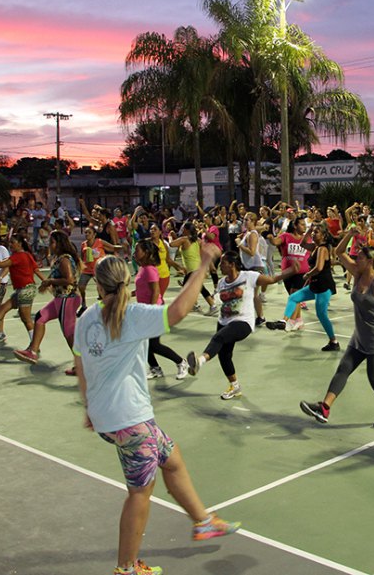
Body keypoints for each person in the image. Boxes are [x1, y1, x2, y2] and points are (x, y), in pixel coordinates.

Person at [73, 252, 239, 575]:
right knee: (139, 493)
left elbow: (80, 365)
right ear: (129, 281)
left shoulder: (85, 319)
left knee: (172, 458)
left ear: (97, 283)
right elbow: (177, 311)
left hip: (110, 417)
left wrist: (88, 407)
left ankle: (203, 521)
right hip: (130, 420)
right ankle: (127, 568)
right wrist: (203, 266)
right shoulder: (131, 316)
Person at [299, 244, 374, 428]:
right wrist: (351, 233)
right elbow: (339, 252)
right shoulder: (357, 274)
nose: (356, 260)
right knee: (343, 369)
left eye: (360, 258)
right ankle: (324, 408)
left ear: (370, 261)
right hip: (359, 336)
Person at [185, 251, 295, 400]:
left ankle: (200, 361)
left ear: (232, 264)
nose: (220, 266)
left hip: (243, 322)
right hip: (223, 321)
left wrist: (291, 270)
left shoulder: (248, 276)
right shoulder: (223, 282)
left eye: (223, 263)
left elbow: (271, 279)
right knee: (224, 355)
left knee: (218, 338)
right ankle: (235, 386)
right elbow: (219, 300)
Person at [13, 231, 81, 372]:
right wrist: (47, 284)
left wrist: (50, 281)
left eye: (52, 242)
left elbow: (69, 279)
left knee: (69, 333)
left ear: (59, 243)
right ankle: (33, 350)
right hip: (60, 299)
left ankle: (82, 364)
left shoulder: (64, 259)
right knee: (40, 317)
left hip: (67, 299)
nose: (50, 245)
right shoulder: (59, 258)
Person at [266, 224, 339, 351]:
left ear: (324, 235)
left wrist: (307, 275)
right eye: (313, 232)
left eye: (316, 232)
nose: (313, 234)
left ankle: (333, 341)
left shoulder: (322, 249)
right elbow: (302, 244)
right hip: (315, 285)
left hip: (323, 286)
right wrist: (309, 230)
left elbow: (319, 267)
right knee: (293, 298)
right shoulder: (315, 247)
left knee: (321, 315)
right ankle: (284, 322)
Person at [0, 236, 45, 343]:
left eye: (13, 242)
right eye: (10, 243)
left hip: (25, 290)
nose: (10, 245)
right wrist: (46, 281)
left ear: (20, 243)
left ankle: (34, 344)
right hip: (25, 290)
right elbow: (36, 270)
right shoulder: (28, 255)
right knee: (3, 309)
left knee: (26, 319)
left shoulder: (16, 257)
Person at [133, 239, 186, 380]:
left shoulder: (150, 269)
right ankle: (155, 369)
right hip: (145, 309)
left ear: (146, 253)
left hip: (153, 311)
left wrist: (150, 311)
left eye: (137, 250)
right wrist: (134, 292)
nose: (134, 252)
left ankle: (181, 362)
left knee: (154, 345)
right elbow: (144, 287)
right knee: (145, 342)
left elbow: (156, 291)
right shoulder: (143, 268)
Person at [78, 226, 120, 315]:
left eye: (89, 233)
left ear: (94, 234)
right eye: (86, 232)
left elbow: (112, 247)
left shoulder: (99, 242)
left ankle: (104, 306)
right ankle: (83, 305)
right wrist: (81, 266)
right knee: (81, 286)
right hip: (87, 269)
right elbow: (82, 257)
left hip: (98, 269)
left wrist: (122, 247)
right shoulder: (83, 244)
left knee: (101, 289)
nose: (87, 234)